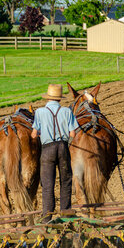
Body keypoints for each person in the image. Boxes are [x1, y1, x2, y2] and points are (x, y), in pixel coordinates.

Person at [31, 84, 78, 222]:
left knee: (47, 184)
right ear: (59, 99)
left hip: (47, 150)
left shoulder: (39, 112)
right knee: (66, 181)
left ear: (48, 98)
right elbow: (73, 133)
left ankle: (47, 217)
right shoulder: (67, 112)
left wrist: (41, 133)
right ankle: (65, 213)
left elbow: (34, 135)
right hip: (63, 148)